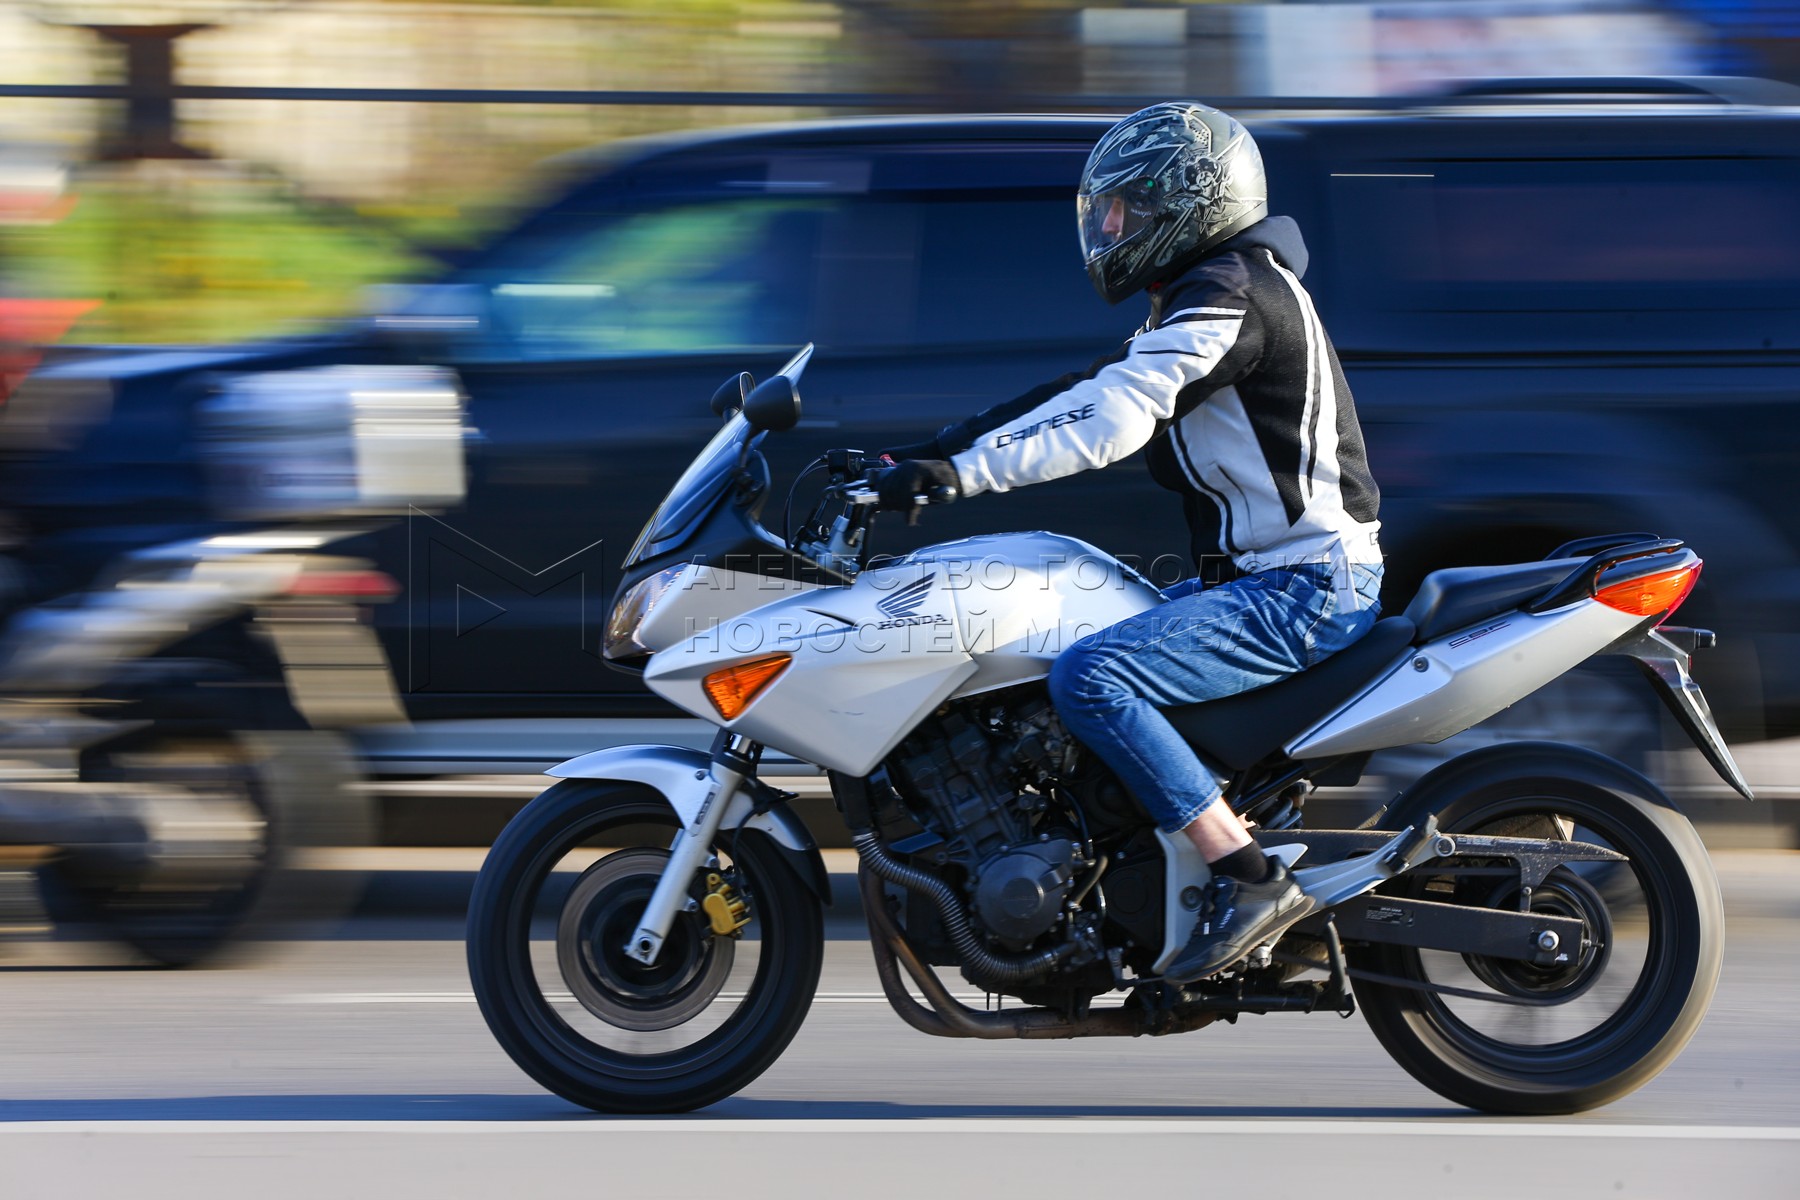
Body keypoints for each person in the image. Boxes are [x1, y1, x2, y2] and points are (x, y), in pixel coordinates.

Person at [871, 101, 1384, 983]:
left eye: (1127, 209)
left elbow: (1112, 413)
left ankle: (1248, 879)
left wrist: (963, 476)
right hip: (1265, 580)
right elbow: (1086, 386)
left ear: (1191, 202)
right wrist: (929, 452)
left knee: (1091, 677)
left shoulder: (1232, 294)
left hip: (1300, 589)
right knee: (1060, 646)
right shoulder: (1214, 292)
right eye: (1107, 212)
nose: (1110, 230)